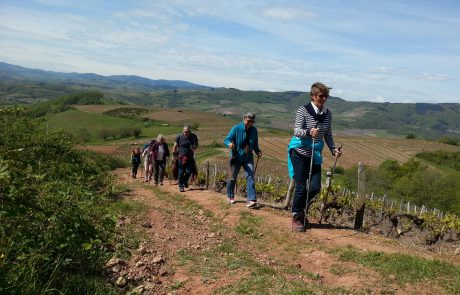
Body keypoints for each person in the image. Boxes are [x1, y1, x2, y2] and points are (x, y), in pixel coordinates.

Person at [288, 82, 342, 232]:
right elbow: (296, 130)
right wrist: (308, 132)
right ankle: (296, 216)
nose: (324, 98)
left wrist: (333, 149)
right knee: (300, 186)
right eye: (321, 96)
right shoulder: (303, 110)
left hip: (314, 154)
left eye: (326, 96)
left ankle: (299, 208)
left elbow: (328, 133)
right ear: (313, 96)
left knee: (315, 187)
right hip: (299, 152)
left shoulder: (327, 113)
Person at [224, 112, 262, 208]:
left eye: (252, 121)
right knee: (232, 177)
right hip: (236, 156)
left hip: (248, 157)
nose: (250, 123)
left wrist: (258, 151)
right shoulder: (236, 128)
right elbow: (227, 139)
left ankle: (251, 199)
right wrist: (229, 144)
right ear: (244, 119)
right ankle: (230, 196)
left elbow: (255, 143)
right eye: (249, 121)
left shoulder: (254, 130)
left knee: (250, 176)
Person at [172, 125, 199, 192]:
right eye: (186, 132)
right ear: (183, 131)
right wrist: (174, 155)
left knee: (189, 171)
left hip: (190, 157)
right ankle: (181, 186)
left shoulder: (193, 136)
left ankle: (184, 181)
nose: (187, 133)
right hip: (181, 157)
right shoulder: (179, 137)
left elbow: (197, 144)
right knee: (181, 171)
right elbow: (175, 146)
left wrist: (195, 147)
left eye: (189, 131)